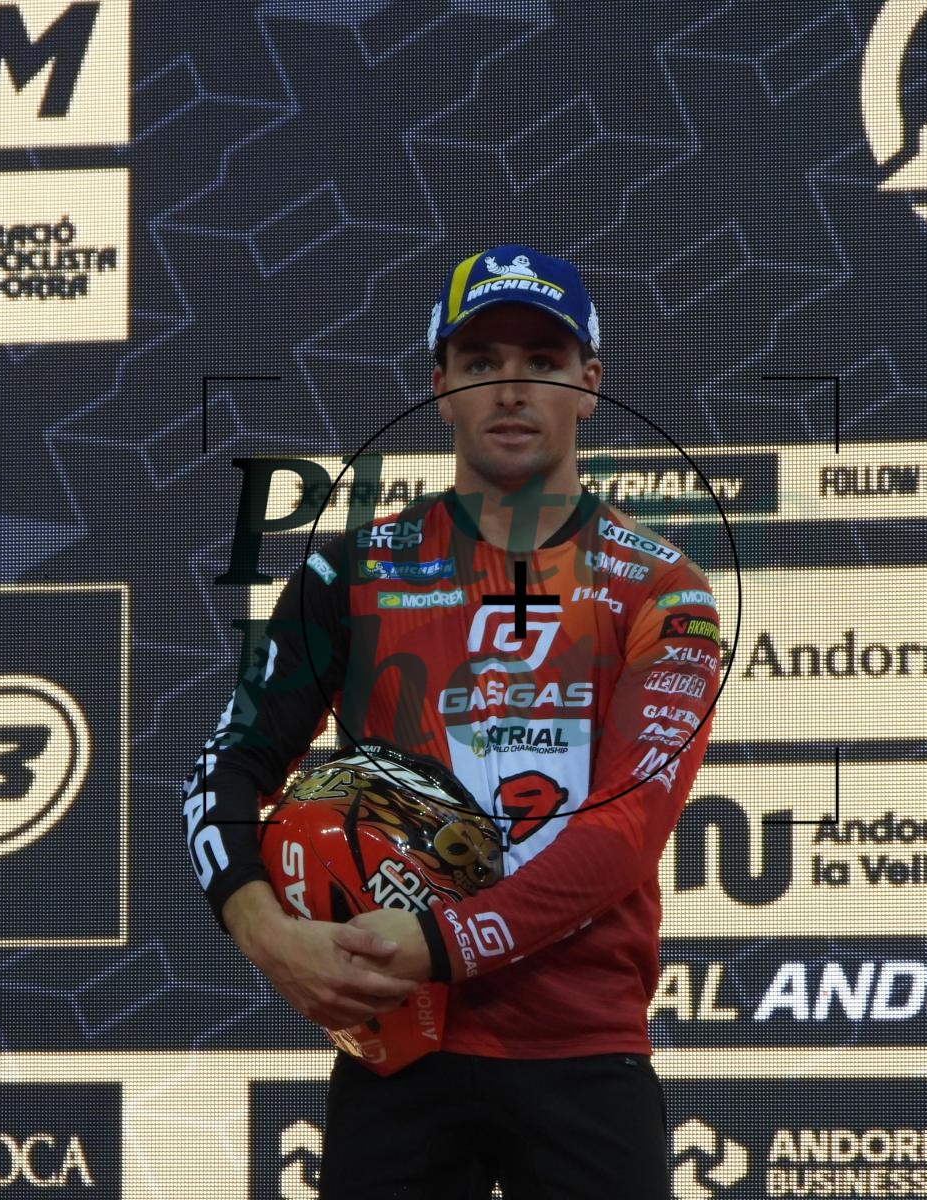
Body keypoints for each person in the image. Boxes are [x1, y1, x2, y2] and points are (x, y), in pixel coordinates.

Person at [182, 244, 720, 1198]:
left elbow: (626, 832)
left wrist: (438, 943)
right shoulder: (350, 572)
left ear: (590, 385)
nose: (511, 389)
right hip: (399, 1052)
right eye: (480, 363)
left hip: (583, 1052)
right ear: (441, 388)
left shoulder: (662, 589)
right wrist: (269, 936)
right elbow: (228, 766)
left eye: (543, 361)